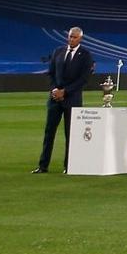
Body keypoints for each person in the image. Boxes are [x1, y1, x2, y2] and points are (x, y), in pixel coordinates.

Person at [33, 26, 92, 173]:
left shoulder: (85, 55)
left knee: (71, 134)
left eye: (74, 37)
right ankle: (43, 166)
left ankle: (69, 166)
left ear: (80, 39)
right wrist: (54, 89)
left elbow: (83, 79)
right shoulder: (58, 51)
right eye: (70, 36)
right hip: (54, 99)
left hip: (72, 100)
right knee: (49, 133)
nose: (71, 39)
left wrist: (65, 91)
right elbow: (51, 73)